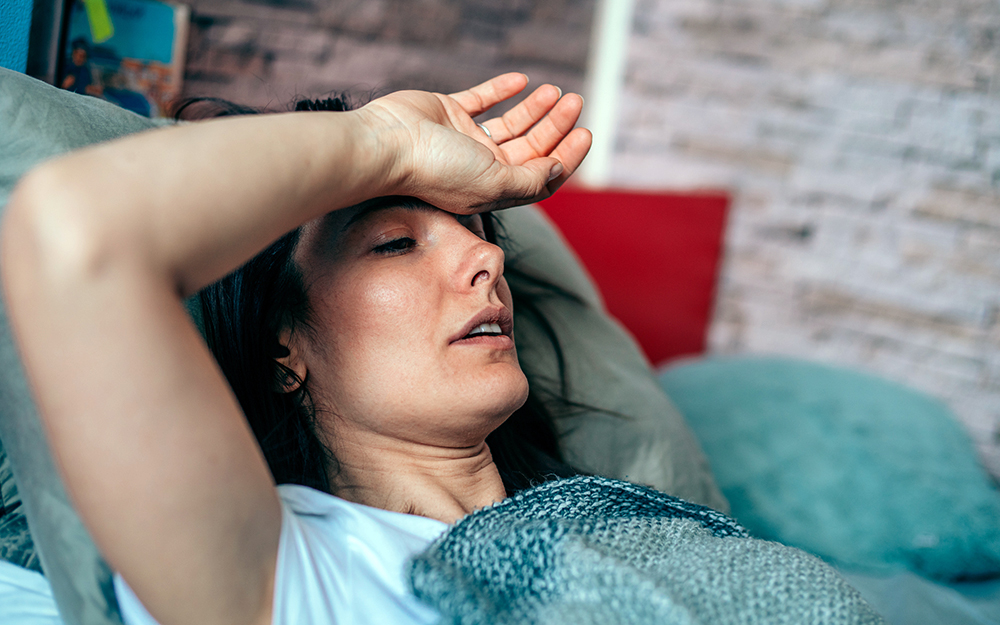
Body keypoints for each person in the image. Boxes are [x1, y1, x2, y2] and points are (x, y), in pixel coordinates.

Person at [1, 73, 591, 625]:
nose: (489, 260)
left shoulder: (596, 517)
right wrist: (388, 141)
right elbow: (69, 228)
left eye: (480, 232)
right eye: (395, 243)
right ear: (282, 350)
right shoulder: (293, 573)